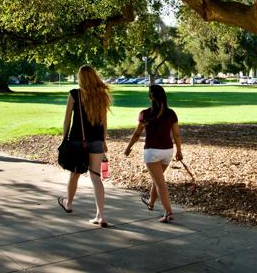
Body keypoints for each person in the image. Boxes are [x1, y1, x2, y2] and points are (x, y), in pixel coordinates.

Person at [58, 65, 111, 227]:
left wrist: (64, 138)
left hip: (77, 141)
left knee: (74, 173)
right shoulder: (101, 95)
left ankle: (69, 204)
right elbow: (104, 121)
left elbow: (67, 119)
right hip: (96, 141)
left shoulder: (74, 94)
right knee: (96, 177)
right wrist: (104, 141)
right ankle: (101, 216)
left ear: (81, 78)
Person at [124, 84, 182, 223]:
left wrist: (128, 148)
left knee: (160, 183)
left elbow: (137, 133)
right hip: (167, 151)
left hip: (152, 152)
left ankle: (168, 212)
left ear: (150, 97)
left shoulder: (145, 114)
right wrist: (179, 150)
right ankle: (150, 202)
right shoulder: (171, 113)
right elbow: (177, 135)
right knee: (158, 179)